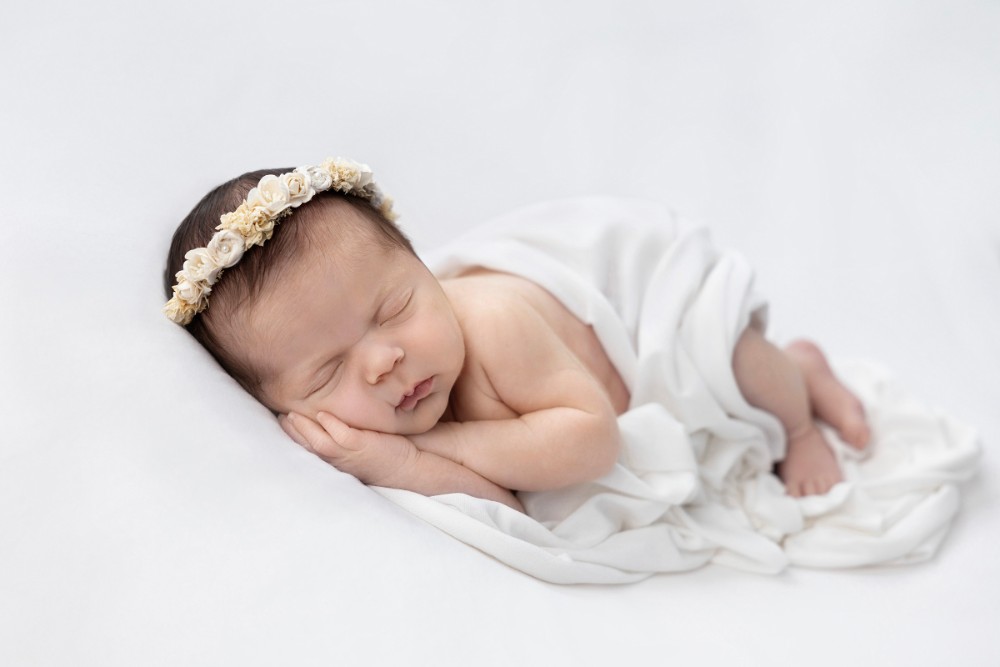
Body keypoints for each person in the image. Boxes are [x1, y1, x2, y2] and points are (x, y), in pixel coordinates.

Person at [163, 158, 870, 515]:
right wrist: (400, 465)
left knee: (740, 364)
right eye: (326, 372)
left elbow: (592, 440)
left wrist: (426, 449)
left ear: (422, 267)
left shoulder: (491, 326)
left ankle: (800, 398)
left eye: (394, 307)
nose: (384, 360)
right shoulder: (379, 417)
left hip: (647, 314)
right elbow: (506, 505)